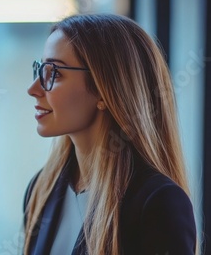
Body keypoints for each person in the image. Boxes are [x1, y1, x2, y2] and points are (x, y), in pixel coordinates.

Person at [24, 14, 197, 255]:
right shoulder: (41, 189)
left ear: (106, 89)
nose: (33, 89)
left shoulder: (158, 203)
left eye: (54, 73)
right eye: (39, 69)